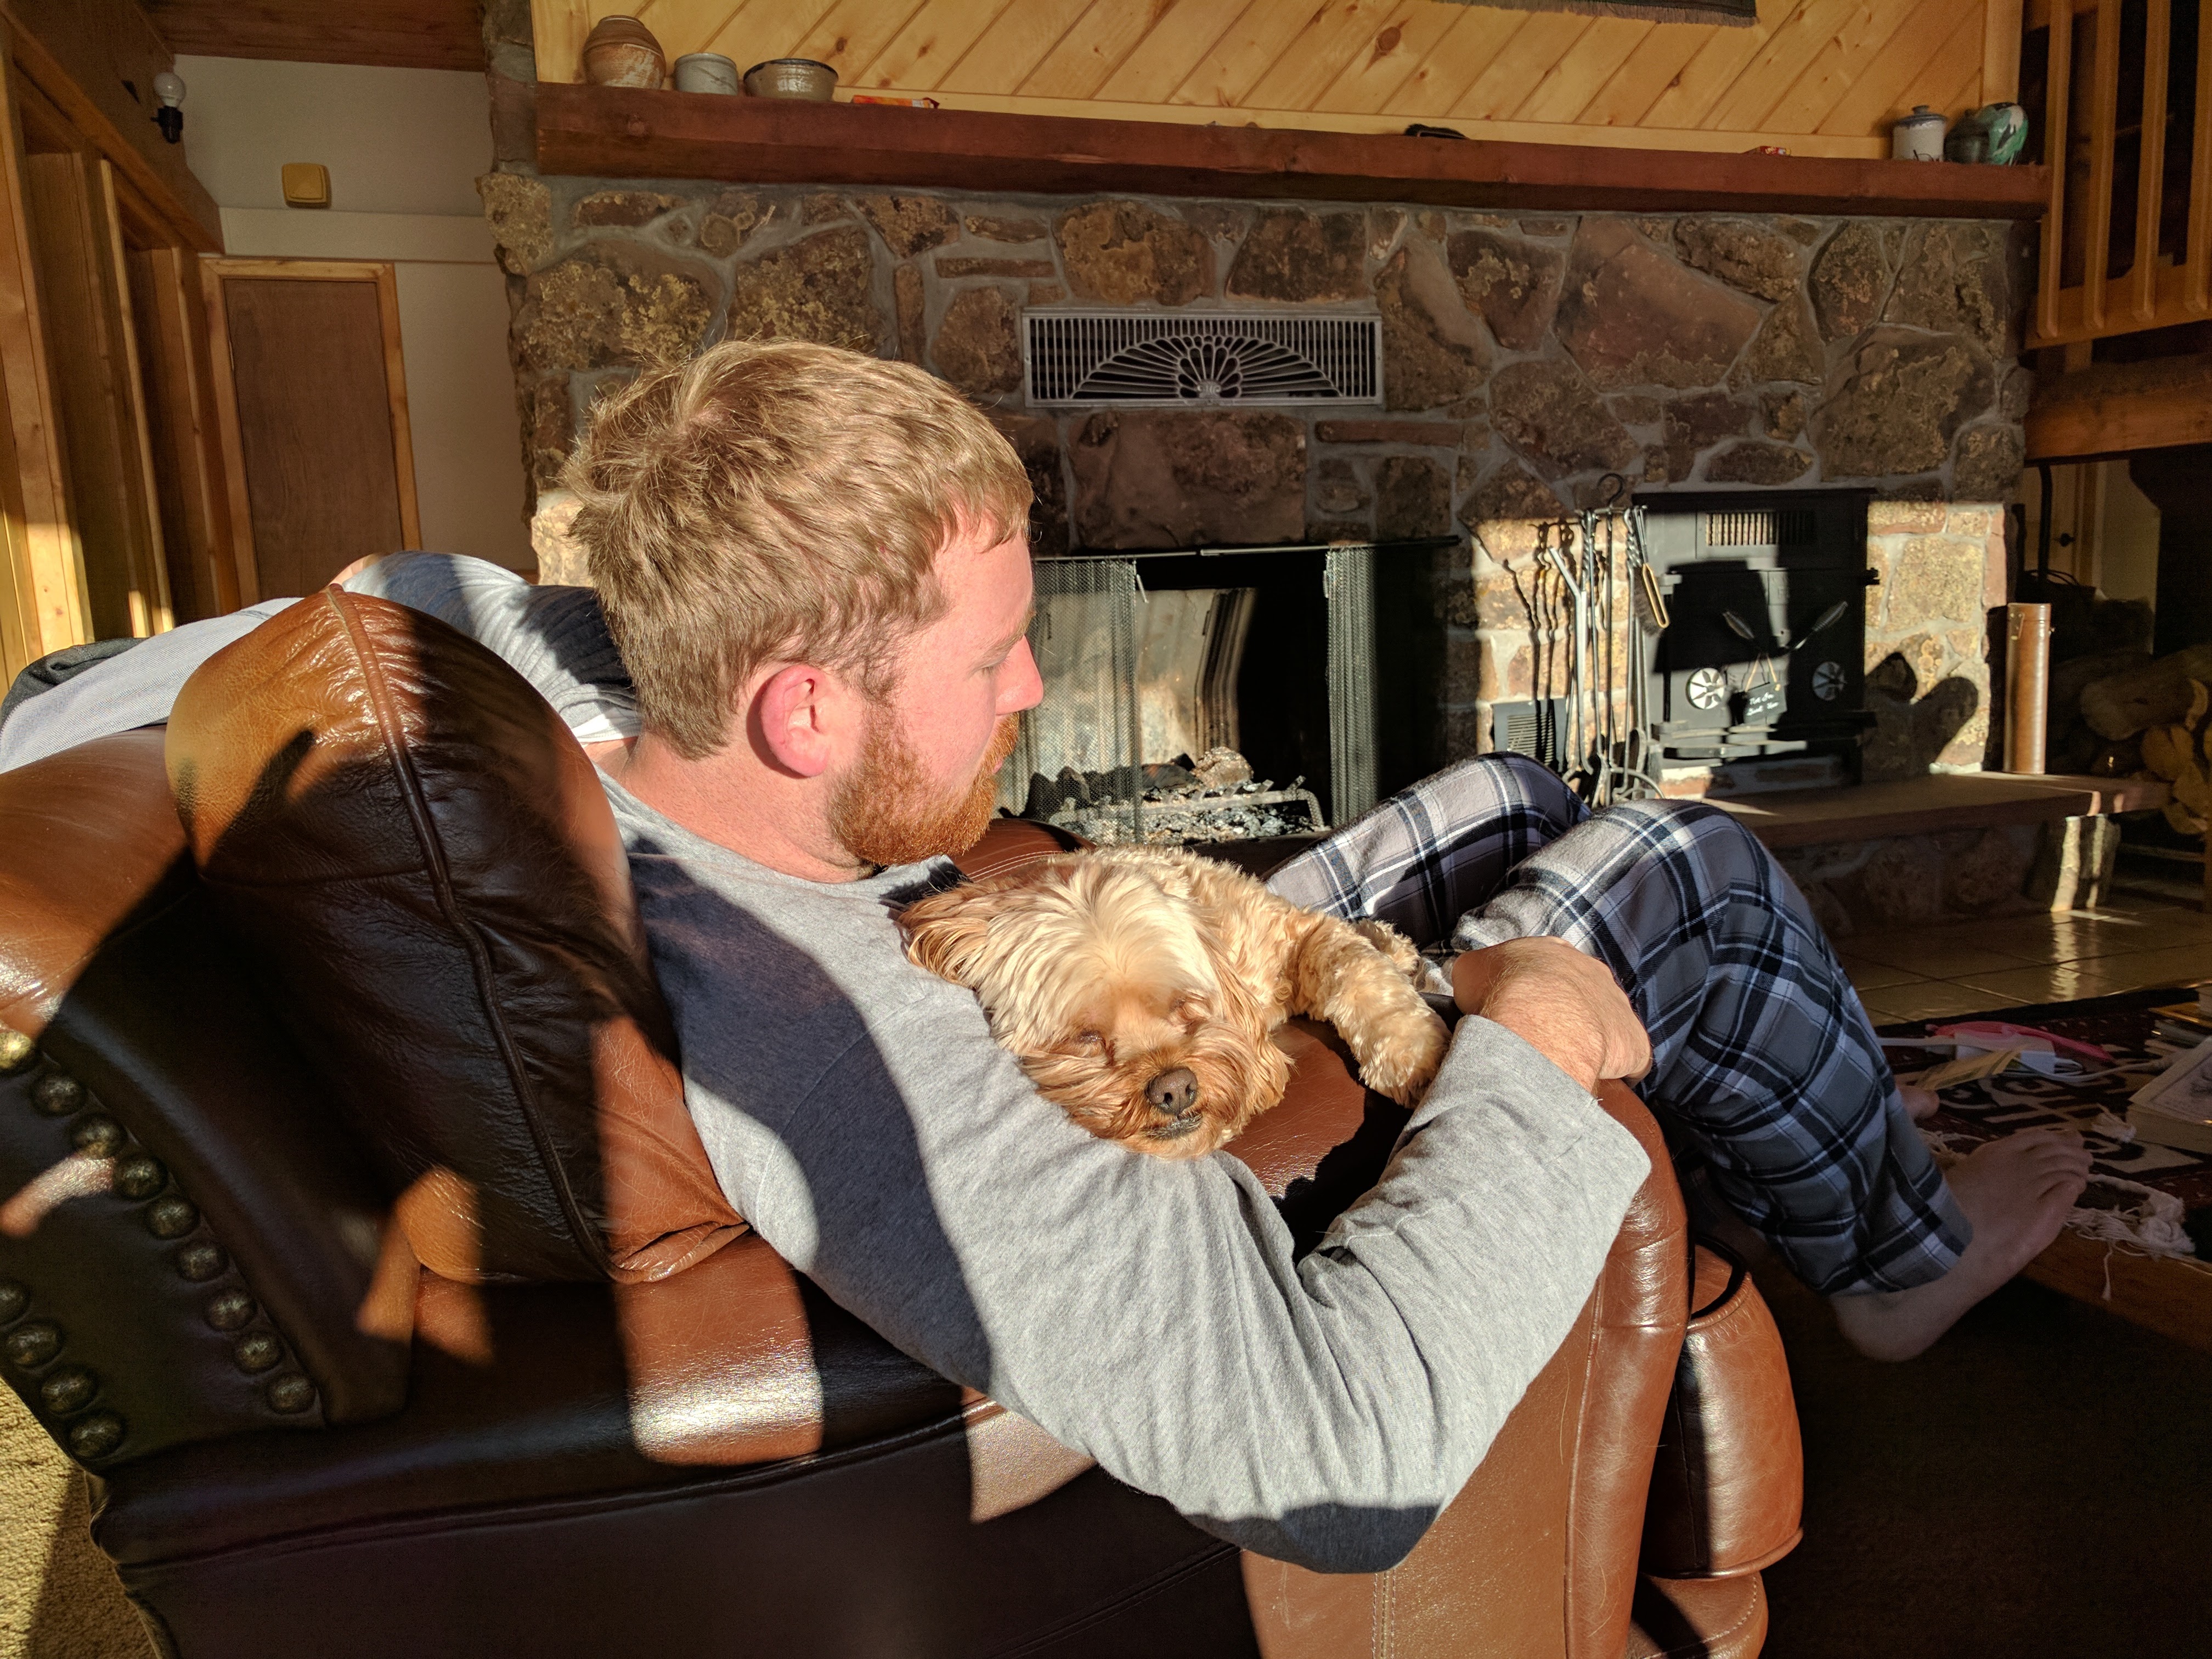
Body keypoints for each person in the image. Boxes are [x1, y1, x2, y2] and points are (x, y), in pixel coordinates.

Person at [0, 340, 2086, 1567]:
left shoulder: (571, 671)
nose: (1029, 696)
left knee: (1508, 788)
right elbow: (1334, 1460)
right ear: (802, 712)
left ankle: (1831, 1189)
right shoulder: (841, 1039)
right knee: (1667, 857)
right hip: (1175, 1052)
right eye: (996, 657)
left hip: (1060, 917)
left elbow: (107, 680)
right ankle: (1890, 1265)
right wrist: (1530, 1041)